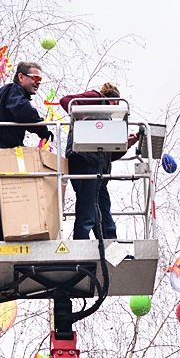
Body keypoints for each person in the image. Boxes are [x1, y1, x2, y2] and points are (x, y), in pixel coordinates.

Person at [0, 61, 53, 241]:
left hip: (4, 150)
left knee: (8, 194)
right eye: (35, 78)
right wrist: (42, 129)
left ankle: (3, 234)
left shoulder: (13, 94)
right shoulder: (12, 90)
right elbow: (22, 111)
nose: (38, 82)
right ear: (21, 77)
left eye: (41, 79)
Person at [59, 83, 139, 241]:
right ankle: (81, 243)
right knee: (88, 206)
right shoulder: (96, 99)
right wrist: (82, 116)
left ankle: (110, 243)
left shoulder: (105, 122)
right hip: (84, 161)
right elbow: (65, 101)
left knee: (102, 207)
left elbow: (106, 155)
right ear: (114, 100)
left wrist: (126, 145)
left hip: (98, 166)